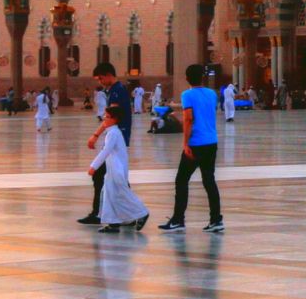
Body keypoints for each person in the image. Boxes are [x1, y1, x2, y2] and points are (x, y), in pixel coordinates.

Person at [161, 74, 225, 233]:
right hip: (211, 141)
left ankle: (178, 219)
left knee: (181, 180)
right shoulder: (212, 94)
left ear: (187, 78)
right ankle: (216, 219)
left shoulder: (187, 95)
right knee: (209, 181)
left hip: (196, 143)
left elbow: (189, 119)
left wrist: (185, 143)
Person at [86, 107, 148, 233]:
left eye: (107, 117)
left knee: (122, 194)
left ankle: (142, 212)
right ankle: (113, 223)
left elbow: (105, 151)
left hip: (117, 170)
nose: (104, 119)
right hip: (112, 169)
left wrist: (93, 166)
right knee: (110, 195)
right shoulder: (112, 132)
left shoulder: (113, 133)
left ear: (115, 119)